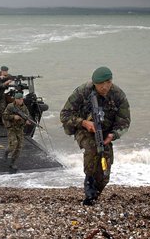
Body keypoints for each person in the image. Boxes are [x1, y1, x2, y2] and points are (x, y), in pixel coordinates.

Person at [60, 66, 130, 206]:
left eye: (108, 83)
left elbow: (124, 121)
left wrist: (113, 135)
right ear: (94, 83)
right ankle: (89, 182)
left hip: (105, 133)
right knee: (92, 149)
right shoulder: (82, 91)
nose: (105, 87)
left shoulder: (118, 95)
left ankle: (94, 194)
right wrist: (84, 122)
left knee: (105, 170)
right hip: (83, 129)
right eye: (100, 84)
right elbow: (64, 115)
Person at [2, 92, 31, 170]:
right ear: (15, 99)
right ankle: (6, 152)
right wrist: (13, 117)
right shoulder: (10, 106)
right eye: (19, 99)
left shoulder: (24, 108)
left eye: (22, 99)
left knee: (19, 147)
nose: (21, 100)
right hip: (11, 128)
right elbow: (4, 116)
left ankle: (13, 162)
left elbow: (27, 116)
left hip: (19, 129)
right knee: (13, 144)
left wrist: (27, 121)